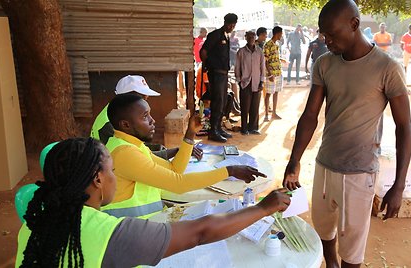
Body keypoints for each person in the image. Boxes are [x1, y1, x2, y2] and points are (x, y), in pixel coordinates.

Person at [15, 137, 291, 267]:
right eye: (111, 171)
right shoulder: (106, 233)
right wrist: (263, 208)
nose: (114, 176)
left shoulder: (34, 224)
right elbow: (200, 231)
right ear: (98, 180)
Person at [283, 1, 411, 267]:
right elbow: (310, 116)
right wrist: (294, 159)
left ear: (354, 25)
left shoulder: (387, 68)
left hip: (359, 172)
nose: (326, 40)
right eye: (323, 34)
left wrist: (398, 185)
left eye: (331, 34)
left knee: (352, 251)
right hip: (325, 165)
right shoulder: (324, 64)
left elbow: (404, 128)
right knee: (323, 233)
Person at [102, 94, 265, 218]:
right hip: (129, 230)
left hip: (144, 224)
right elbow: (178, 184)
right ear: (126, 125)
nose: (152, 121)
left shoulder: (130, 145)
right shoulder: (125, 153)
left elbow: (175, 170)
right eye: (145, 117)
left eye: (150, 114)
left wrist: (190, 133)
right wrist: (230, 170)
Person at [90, 75, 200, 160]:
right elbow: (138, 157)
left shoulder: (116, 112)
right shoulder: (110, 125)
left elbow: (138, 147)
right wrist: (176, 151)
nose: (145, 102)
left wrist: (166, 150)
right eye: (142, 99)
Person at [200, 13, 238, 143]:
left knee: (222, 101)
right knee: (217, 101)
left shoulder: (226, 36)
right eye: (229, 24)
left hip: (223, 73)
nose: (231, 27)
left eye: (233, 25)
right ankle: (212, 132)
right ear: (225, 22)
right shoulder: (215, 35)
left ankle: (218, 127)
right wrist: (207, 65)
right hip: (215, 73)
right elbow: (203, 52)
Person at [235, 31, 265, 135]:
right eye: (249, 36)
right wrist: (239, 81)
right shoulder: (241, 52)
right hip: (245, 83)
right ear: (246, 38)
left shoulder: (259, 51)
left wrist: (262, 82)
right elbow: (237, 67)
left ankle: (253, 128)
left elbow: (262, 67)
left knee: (255, 106)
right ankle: (244, 128)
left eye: (253, 36)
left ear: (255, 38)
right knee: (245, 106)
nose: (251, 38)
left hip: (257, 82)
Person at [263, 26, 284, 122]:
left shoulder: (276, 45)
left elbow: (274, 58)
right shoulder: (268, 45)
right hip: (271, 73)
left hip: (278, 72)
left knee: (276, 92)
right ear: (277, 34)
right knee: (268, 93)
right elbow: (265, 61)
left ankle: (274, 113)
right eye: (281, 34)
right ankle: (267, 114)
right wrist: (270, 74)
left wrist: (281, 60)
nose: (282, 35)